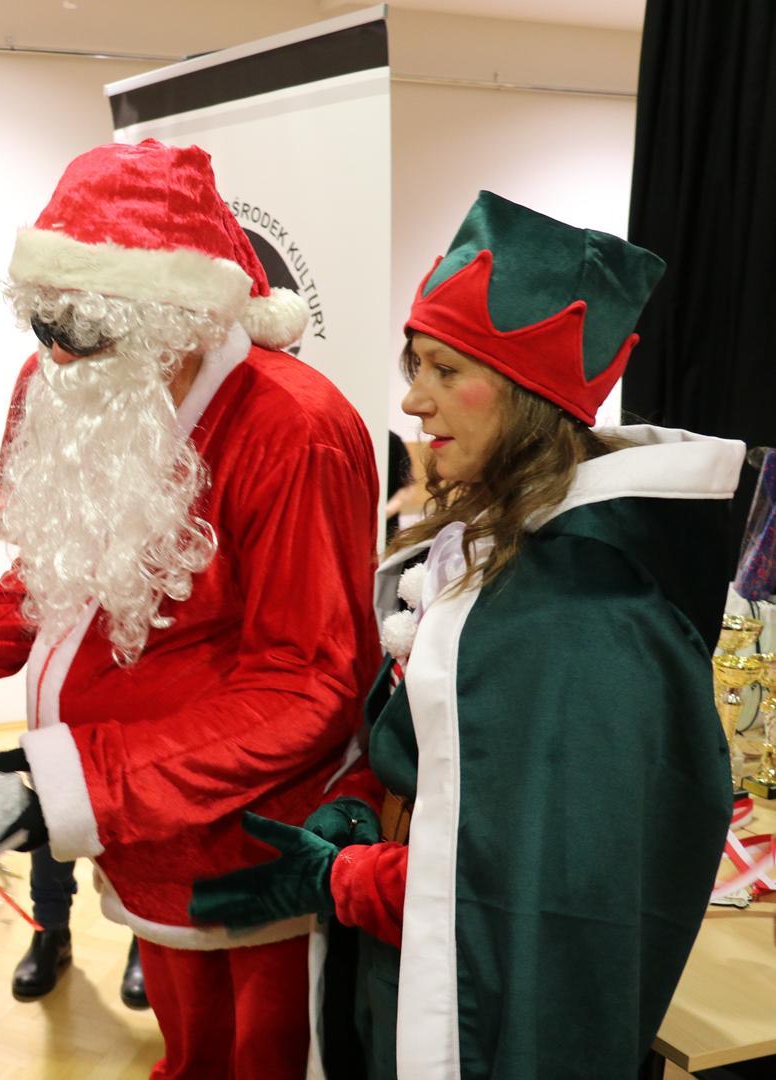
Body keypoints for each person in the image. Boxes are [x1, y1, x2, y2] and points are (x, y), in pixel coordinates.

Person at [189, 191, 740, 1078]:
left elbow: (537, 893)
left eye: (446, 370)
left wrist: (346, 878)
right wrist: (358, 802)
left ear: (528, 394)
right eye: (417, 366)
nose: (414, 400)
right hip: (408, 967)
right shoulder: (498, 550)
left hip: (471, 1011)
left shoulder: (587, 619)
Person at [0, 139, 383, 1077]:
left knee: (261, 1059)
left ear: (174, 317)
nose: (56, 356)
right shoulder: (68, 385)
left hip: (254, 843)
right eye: (44, 323)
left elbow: (307, 683)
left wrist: (76, 782)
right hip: (142, 833)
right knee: (188, 1055)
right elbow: (56, 574)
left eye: (86, 328)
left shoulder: (294, 429)